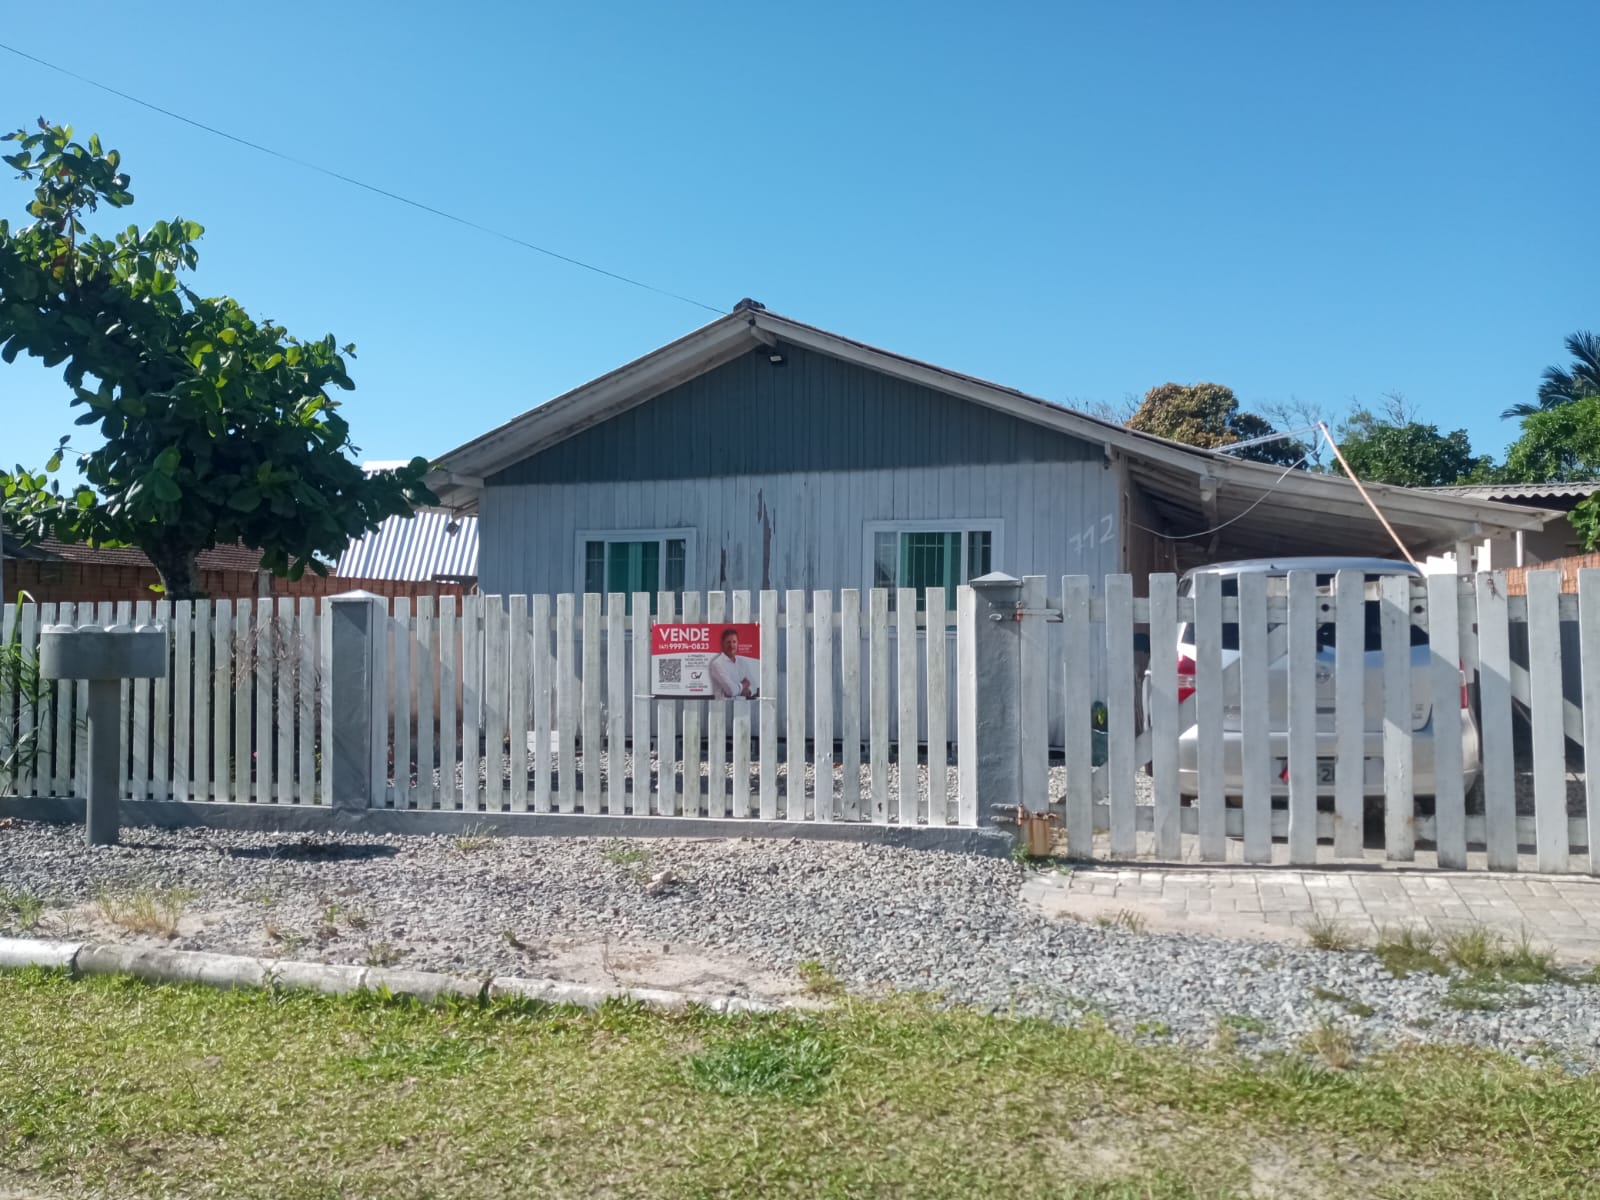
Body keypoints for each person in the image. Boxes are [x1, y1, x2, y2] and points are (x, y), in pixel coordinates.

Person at [707, 627, 759, 699]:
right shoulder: (717, 664)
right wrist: (744, 684)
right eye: (728, 642)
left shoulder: (742, 662)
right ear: (722, 644)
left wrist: (748, 691)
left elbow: (754, 686)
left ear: (737, 643)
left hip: (743, 706)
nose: (731, 646)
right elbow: (731, 691)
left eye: (734, 642)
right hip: (723, 707)